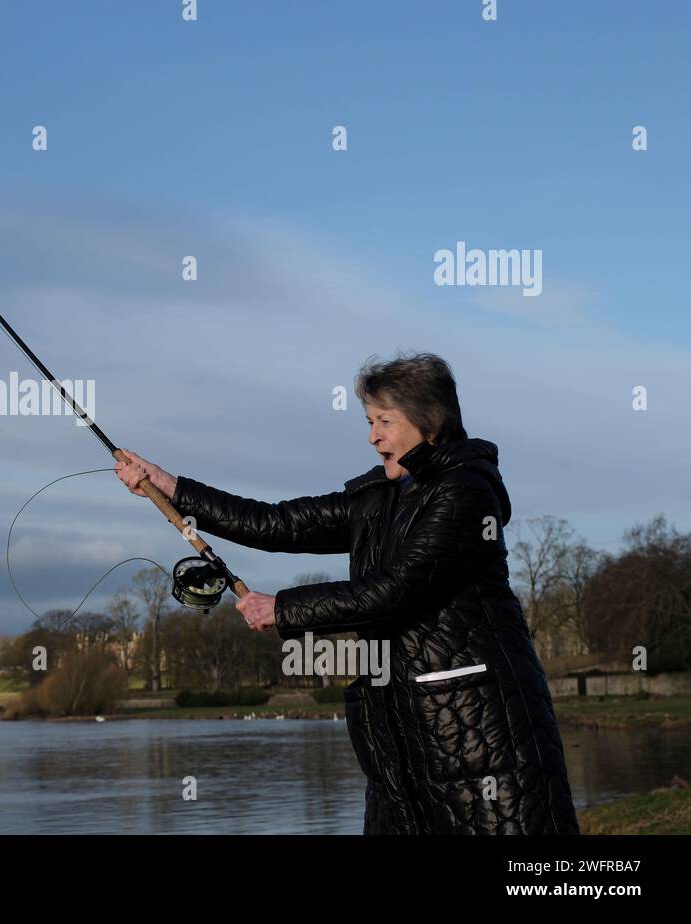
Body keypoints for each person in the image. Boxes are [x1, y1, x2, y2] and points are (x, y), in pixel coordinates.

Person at [114, 352, 579, 834]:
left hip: (479, 738)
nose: (372, 435)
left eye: (384, 420)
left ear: (431, 421)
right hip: (398, 744)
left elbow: (395, 590)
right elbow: (276, 524)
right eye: (369, 421)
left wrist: (284, 608)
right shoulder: (381, 496)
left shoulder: (465, 493)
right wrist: (170, 486)